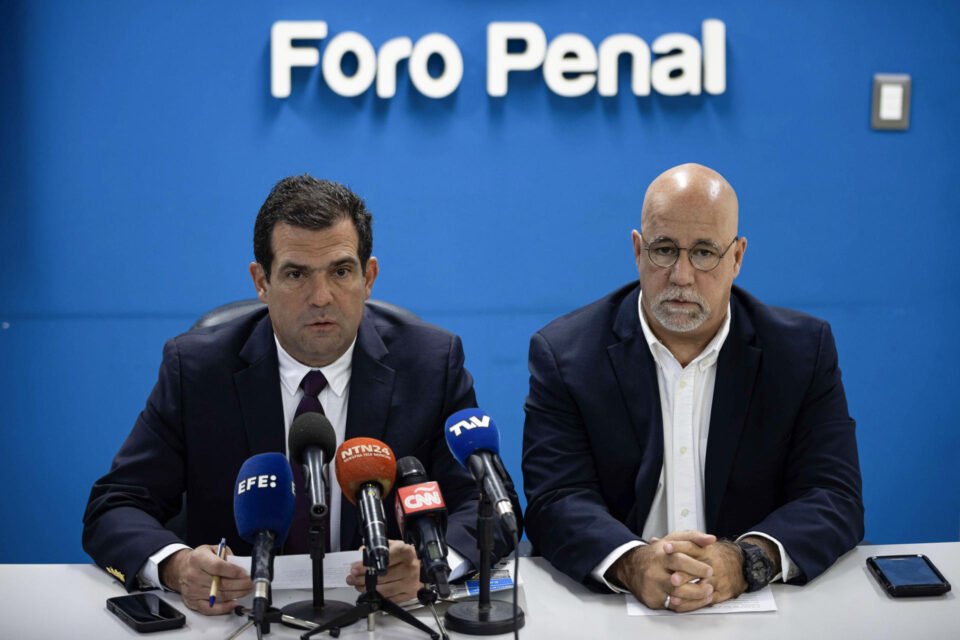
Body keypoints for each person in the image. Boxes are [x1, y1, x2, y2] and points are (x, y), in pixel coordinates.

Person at [83, 175, 519, 615]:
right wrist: (176, 567)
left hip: (381, 617)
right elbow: (115, 505)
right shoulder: (198, 371)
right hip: (235, 615)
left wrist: (431, 564)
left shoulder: (429, 364)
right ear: (261, 281)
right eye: (296, 274)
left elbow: (488, 505)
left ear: (368, 277)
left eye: (341, 271)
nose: (321, 297)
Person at [522, 163, 863, 612]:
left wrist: (744, 561)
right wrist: (632, 563)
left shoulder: (800, 353)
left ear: (737, 257)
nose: (682, 275)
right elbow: (555, 499)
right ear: (638, 250)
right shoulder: (567, 355)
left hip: (761, 611)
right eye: (664, 250)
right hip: (614, 613)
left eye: (704, 252)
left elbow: (833, 495)